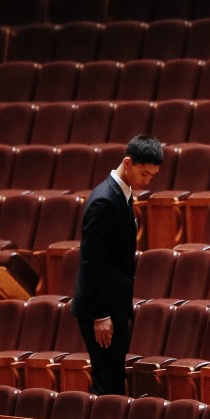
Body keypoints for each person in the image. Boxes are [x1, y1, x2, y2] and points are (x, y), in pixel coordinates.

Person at [72, 135, 163, 396]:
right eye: (144, 173)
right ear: (127, 163)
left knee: (112, 380)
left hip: (114, 306)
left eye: (152, 176)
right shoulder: (104, 200)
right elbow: (92, 262)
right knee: (107, 385)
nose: (147, 181)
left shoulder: (121, 194)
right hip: (102, 311)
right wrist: (101, 315)